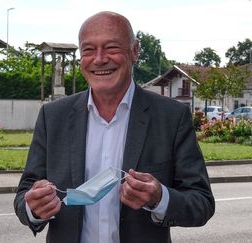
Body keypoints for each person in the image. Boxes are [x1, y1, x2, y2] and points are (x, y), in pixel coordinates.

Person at [14, 11, 215, 243]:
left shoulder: (171, 116)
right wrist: (34, 208)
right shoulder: (53, 116)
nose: (99, 59)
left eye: (111, 48)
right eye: (88, 50)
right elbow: (24, 196)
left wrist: (160, 198)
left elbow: (202, 203)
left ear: (135, 51)